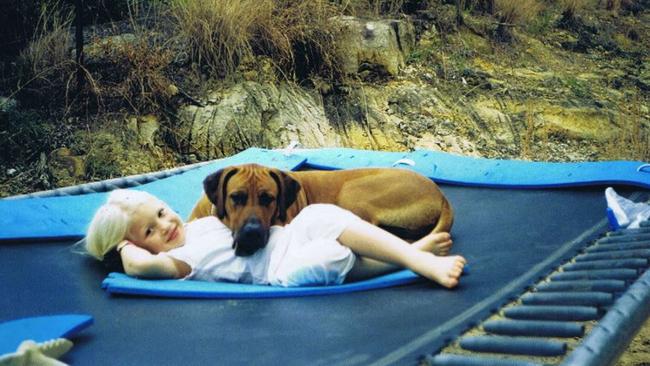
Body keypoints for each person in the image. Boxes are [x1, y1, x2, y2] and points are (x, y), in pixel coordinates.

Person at [85, 189, 466, 288]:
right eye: (150, 231)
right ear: (136, 245)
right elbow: (141, 266)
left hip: (286, 237)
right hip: (280, 267)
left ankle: (412, 254)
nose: (166, 224)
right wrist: (123, 250)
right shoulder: (178, 263)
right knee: (326, 257)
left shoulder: (196, 226)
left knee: (320, 214)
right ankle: (417, 260)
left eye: (162, 212)